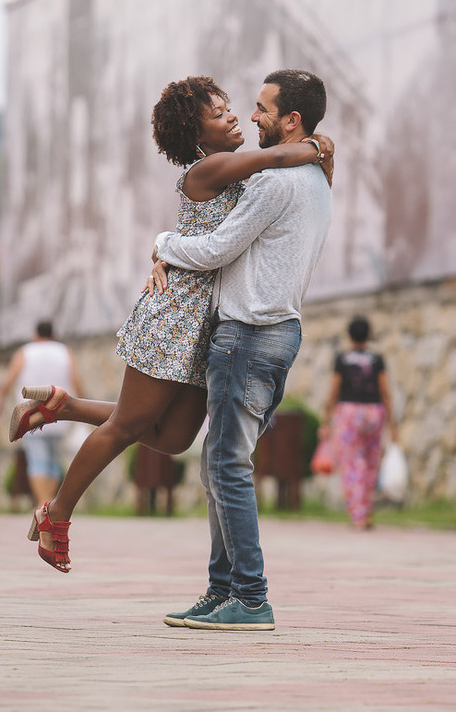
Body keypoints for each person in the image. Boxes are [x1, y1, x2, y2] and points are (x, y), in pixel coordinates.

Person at [10, 75, 333, 576]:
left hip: (207, 324)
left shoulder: (237, 176)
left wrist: (164, 244)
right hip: (174, 315)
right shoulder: (209, 170)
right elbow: (277, 159)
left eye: (232, 107)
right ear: (196, 134)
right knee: (128, 426)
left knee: (176, 436)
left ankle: (63, 405)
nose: (233, 116)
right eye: (219, 113)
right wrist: (316, 144)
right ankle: (57, 515)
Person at [153, 69, 332, 632]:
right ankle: (222, 591)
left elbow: (216, 249)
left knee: (227, 465)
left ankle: (250, 598)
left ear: (291, 121)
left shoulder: (274, 182)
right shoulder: (317, 177)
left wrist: (161, 244)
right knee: (220, 462)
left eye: (261, 108)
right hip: (277, 333)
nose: (251, 117)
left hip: (249, 334)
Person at [319, 315, 398, 530]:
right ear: (368, 335)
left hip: (349, 413)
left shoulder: (342, 359)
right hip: (374, 412)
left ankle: (359, 515)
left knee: (352, 464)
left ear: (349, 335)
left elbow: (333, 392)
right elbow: (385, 392)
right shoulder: (377, 359)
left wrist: (326, 422)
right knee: (371, 462)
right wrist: (393, 424)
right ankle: (367, 511)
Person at [0, 320, 84, 506]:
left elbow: (8, 381)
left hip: (32, 414)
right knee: (53, 460)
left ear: (36, 334)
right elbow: (76, 381)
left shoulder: (25, 352)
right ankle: (48, 504)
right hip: (60, 414)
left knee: (37, 460)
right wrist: (82, 409)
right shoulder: (65, 352)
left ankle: (41, 503)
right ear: (54, 334)